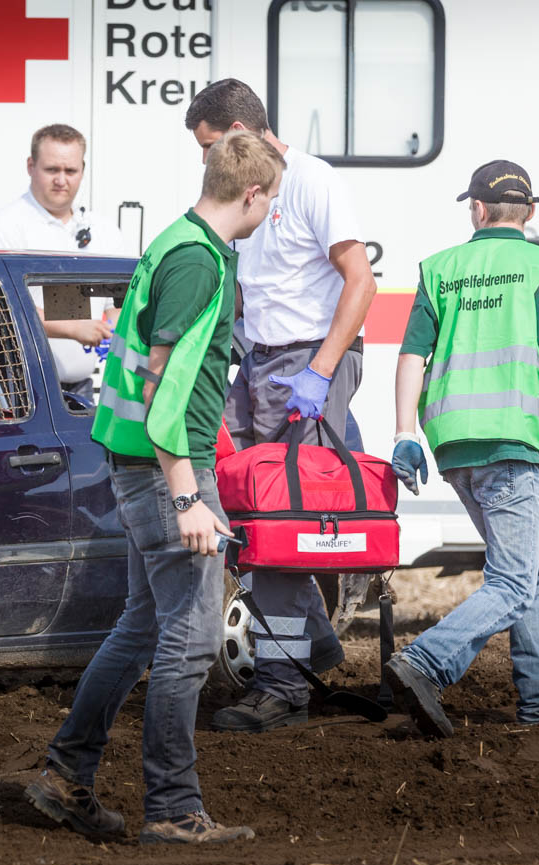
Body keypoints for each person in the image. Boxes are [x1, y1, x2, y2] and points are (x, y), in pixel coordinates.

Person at [25, 131, 283, 845]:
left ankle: (65, 775)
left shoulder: (178, 240)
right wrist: (188, 496)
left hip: (138, 461)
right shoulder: (199, 262)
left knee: (142, 627)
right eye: (271, 200)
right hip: (169, 468)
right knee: (191, 640)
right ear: (252, 193)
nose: (271, 212)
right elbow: (162, 388)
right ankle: (172, 808)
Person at [384, 161, 539, 738]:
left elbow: (411, 357)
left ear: (478, 209)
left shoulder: (440, 268)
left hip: (452, 445)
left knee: (537, 573)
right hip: (508, 443)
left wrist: (405, 433)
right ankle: (426, 662)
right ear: (530, 212)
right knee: (513, 581)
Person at [183, 78, 379, 734]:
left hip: (306, 360)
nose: (205, 160)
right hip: (261, 360)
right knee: (233, 501)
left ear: (239, 132)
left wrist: (320, 372)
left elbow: (361, 281)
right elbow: (250, 290)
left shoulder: (313, 181)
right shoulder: (247, 191)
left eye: (209, 145)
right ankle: (311, 645)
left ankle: (284, 687)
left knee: (282, 520)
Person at [0, 123, 126, 398]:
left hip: (81, 389)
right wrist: (73, 329)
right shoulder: (2, 227)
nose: (61, 180)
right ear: (31, 166)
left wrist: (115, 331)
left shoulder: (103, 231)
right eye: (52, 169)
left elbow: (117, 305)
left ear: (83, 169)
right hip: (17, 392)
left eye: (70, 171)